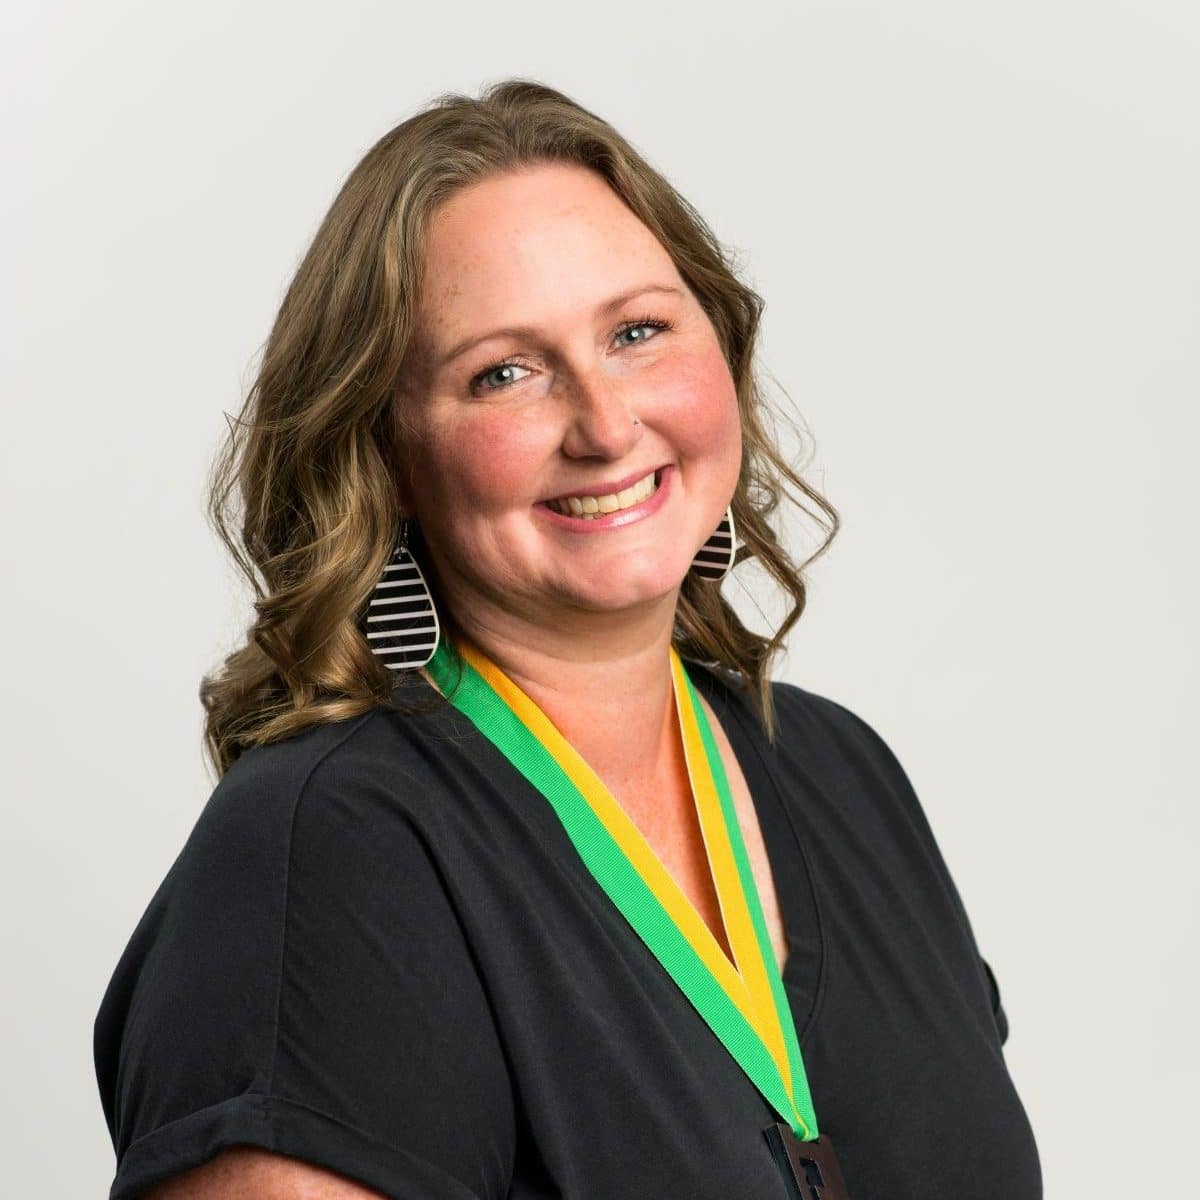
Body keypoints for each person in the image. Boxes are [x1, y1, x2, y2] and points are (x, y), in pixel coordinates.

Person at [93, 79, 1041, 1199]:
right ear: (387, 456)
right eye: (506, 372)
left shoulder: (840, 774)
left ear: (722, 354)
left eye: (638, 332)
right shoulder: (325, 854)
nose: (604, 424)